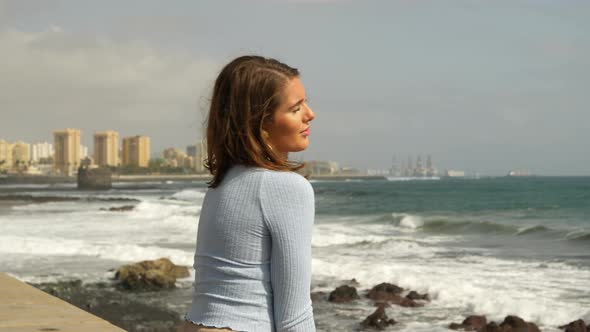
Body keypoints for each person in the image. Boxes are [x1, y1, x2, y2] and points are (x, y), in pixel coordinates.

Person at [182, 55, 316, 332]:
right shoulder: (287, 188)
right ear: (261, 123)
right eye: (295, 108)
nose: (310, 114)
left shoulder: (224, 183)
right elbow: (295, 316)